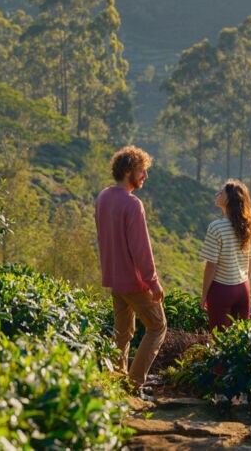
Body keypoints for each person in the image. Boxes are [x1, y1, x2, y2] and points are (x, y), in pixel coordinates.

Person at [94, 145, 166, 395]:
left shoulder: (103, 197)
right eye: (142, 171)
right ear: (128, 171)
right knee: (157, 326)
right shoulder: (133, 204)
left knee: (122, 333)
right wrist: (153, 281)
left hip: (114, 278)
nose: (145, 176)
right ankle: (134, 384)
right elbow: (141, 249)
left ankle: (116, 379)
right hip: (135, 283)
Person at [199, 179, 251, 332]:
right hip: (243, 288)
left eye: (221, 192)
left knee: (220, 341)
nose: (217, 194)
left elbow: (211, 265)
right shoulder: (248, 226)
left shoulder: (216, 227)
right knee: (241, 339)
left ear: (229, 199)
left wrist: (204, 294)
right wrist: (244, 280)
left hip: (222, 290)